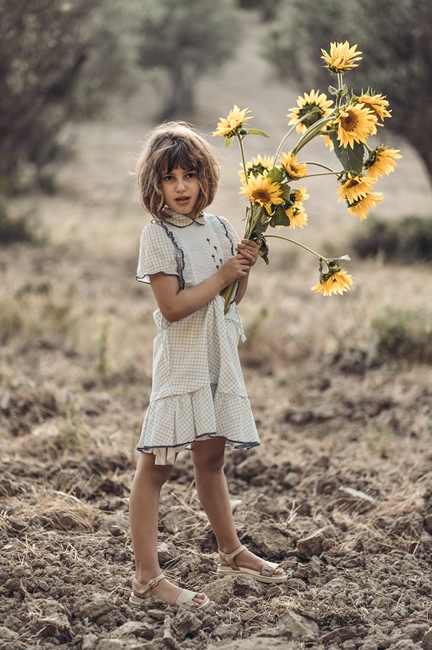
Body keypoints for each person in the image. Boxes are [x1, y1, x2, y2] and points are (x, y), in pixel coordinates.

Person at [129, 122, 287, 610]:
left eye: (189, 176)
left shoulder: (219, 227)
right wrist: (222, 273)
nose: (180, 187)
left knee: (211, 460)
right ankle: (148, 579)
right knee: (156, 468)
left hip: (218, 356)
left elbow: (231, 297)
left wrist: (243, 269)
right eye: (169, 177)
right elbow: (173, 307)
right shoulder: (156, 236)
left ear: (205, 179)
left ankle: (231, 550)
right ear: (154, 185)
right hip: (182, 363)